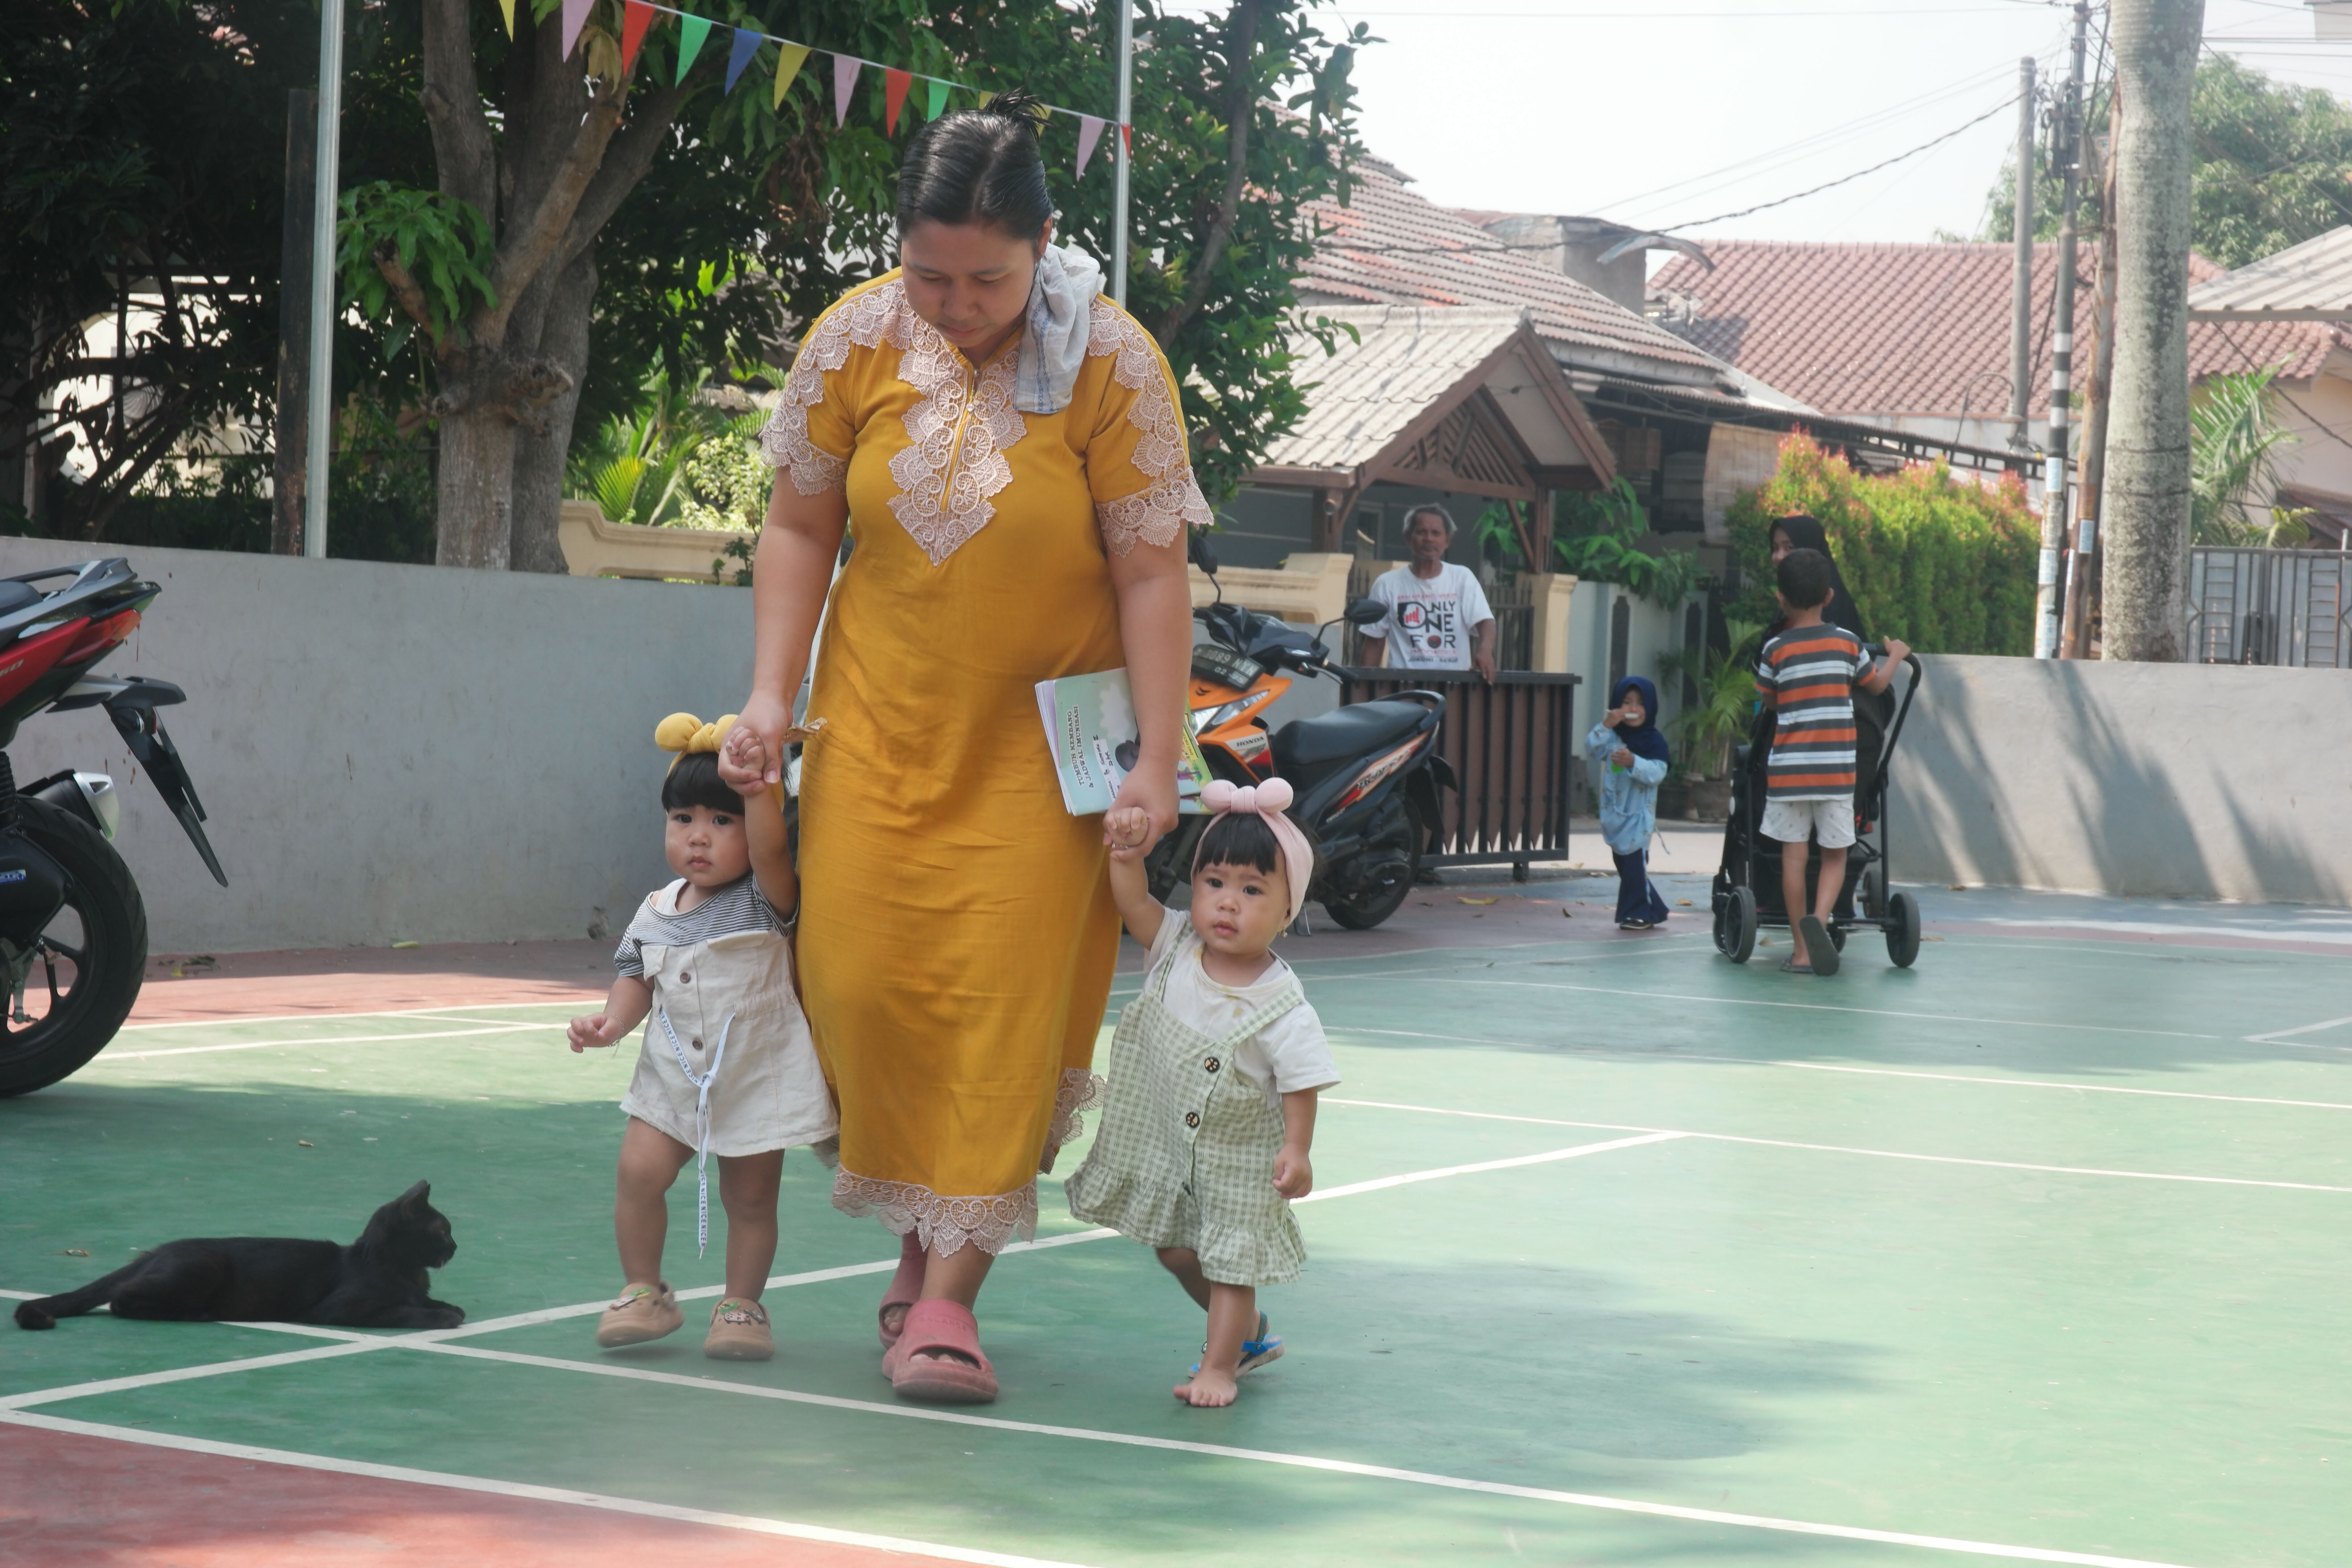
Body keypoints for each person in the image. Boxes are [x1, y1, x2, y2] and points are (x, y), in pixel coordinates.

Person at [728, 89, 1204, 1405]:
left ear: (1047, 243)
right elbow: (800, 529)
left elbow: (1152, 572)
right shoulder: (854, 343)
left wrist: (1158, 758)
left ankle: (947, 1296)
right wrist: (769, 697)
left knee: (998, 1010)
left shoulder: (1115, 365)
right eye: (928, 273)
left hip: (1042, 753)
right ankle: (920, 1235)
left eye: (987, 277)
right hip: (876, 732)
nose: (954, 301)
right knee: (869, 988)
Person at [568, 714, 836, 1361]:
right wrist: (609, 1025)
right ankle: (644, 1292)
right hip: (671, 1078)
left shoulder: (766, 898)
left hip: (753, 1076)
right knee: (637, 1174)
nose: (699, 837)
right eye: (683, 819)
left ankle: (741, 1305)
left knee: (748, 1198)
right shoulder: (656, 909)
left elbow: (773, 850)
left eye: (723, 822)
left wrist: (755, 790)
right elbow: (634, 978)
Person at [1069, 780, 1338, 1409]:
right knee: (1175, 1251)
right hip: (1173, 1147)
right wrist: (1125, 856)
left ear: (1287, 908)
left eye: (1252, 891)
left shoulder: (1282, 1005)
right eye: (1214, 883)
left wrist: (1297, 1150)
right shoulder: (1176, 945)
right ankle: (1247, 1334)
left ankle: (1222, 1364)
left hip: (1242, 1158)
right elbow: (1132, 903)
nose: (1226, 904)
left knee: (1228, 1264)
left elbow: (1302, 1084)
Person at [1754, 552, 1907, 977]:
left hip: (1788, 773)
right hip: (1836, 772)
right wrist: (1894, 655)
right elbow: (1874, 685)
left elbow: (1769, 698)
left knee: (1794, 857)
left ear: (1780, 597)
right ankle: (1819, 923)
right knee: (1835, 855)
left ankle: (1802, 950)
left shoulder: (1775, 649)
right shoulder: (1847, 643)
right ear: (1829, 596)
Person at [1360, 505, 1498, 681]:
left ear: (1447, 541)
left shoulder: (1462, 578)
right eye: (1421, 532)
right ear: (1408, 538)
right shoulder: (1387, 584)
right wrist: (1364, 687)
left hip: (1454, 686)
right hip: (1403, 688)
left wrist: (1485, 650)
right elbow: (1374, 641)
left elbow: (1485, 621)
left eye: (1436, 533)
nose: (1429, 539)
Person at [1586, 675, 1672, 930]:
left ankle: (1638, 914)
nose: (1633, 710)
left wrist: (1634, 762)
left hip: (1639, 817)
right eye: (1626, 703)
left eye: (1640, 704)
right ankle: (1654, 909)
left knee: (1634, 866)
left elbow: (1658, 772)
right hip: (1615, 814)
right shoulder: (1613, 737)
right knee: (1625, 865)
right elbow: (1592, 748)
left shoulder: (1654, 741)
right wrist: (1606, 725)